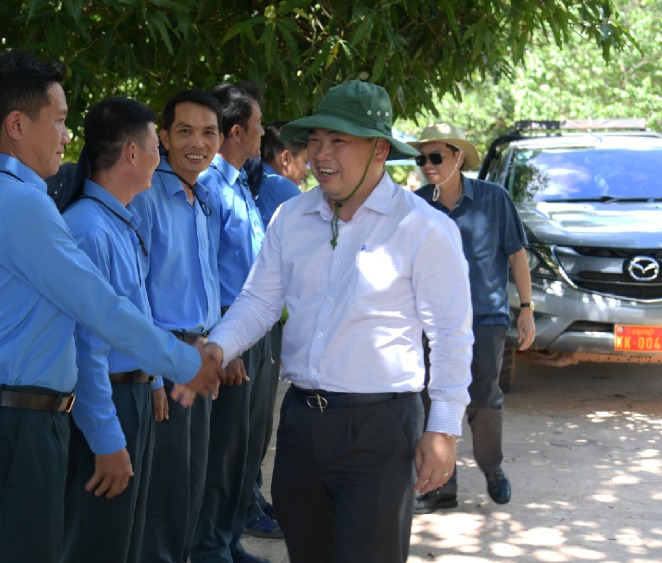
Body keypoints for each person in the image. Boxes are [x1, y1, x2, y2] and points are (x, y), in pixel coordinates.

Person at [0, 50, 222, 563]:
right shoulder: (19, 202)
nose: (69, 138)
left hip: (5, 414)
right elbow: (99, 308)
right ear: (18, 125)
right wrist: (184, 362)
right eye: (61, 121)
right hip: (13, 423)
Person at [205, 80, 474, 563]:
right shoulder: (291, 216)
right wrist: (216, 347)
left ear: (379, 150)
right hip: (302, 423)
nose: (321, 154)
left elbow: (451, 335)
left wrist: (443, 429)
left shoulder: (424, 228)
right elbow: (259, 302)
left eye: (339, 141)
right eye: (315, 140)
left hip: (380, 427)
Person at [60, 97, 164, 562]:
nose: (161, 159)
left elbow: (135, 313)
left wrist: (155, 378)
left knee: (125, 540)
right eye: (157, 147)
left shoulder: (120, 221)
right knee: (96, 542)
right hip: (108, 401)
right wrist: (106, 438)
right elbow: (85, 347)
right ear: (132, 154)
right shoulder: (86, 228)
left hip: (134, 395)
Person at [410, 123, 535, 513]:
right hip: (431, 322)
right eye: (422, 158)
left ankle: (492, 468)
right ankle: (439, 489)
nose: (428, 165)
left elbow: (516, 255)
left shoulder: (494, 199)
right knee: (431, 402)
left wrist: (527, 310)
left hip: (485, 318)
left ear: (458, 157)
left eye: (436, 157)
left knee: (483, 400)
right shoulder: (417, 206)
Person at [130, 89, 225, 563]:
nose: (197, 143)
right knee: (164, 491)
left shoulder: (202, 197)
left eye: (209, 133)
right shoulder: (147, 198)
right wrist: (148, 375)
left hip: (197, 356)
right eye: (184, 131)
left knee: (191, 481)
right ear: (163, 137)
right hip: (163, 361)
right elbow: (135, 293)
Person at [193, 82, 274, 563]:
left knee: (245, 448)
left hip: (255, 330)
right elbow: (205, 271)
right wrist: (225, 344)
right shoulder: (208, 186)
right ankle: (207, 548)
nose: (264, 135)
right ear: (237, 130)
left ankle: (227, 541)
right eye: (259, 126)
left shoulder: (240, 183)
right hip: (229, 332)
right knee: (220, 451)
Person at [238, 119, 308, 540]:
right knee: (253, 425)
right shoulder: (283, 191)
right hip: (260, 322)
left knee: (249, 424)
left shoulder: (249, 185)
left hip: (244, 318)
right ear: (285, 158)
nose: (306, 173)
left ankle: (252, 496)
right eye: (303, 162)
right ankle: (247, 503)